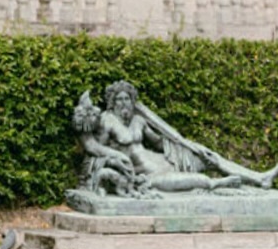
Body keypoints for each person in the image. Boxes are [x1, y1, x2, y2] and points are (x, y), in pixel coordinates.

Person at [74, 81, 278, 195]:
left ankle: (260, 178)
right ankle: (224, 184)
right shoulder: (107, 121)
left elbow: (158, 142)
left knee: (211, 157)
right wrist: (112, 155)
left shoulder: (138, 120)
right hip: (149, 177)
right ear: (112, 102)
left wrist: (186, 147)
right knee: (202, 181)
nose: (124, 103)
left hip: (168, 161)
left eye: (127, 99)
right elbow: (92, 146)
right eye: (119, 99)